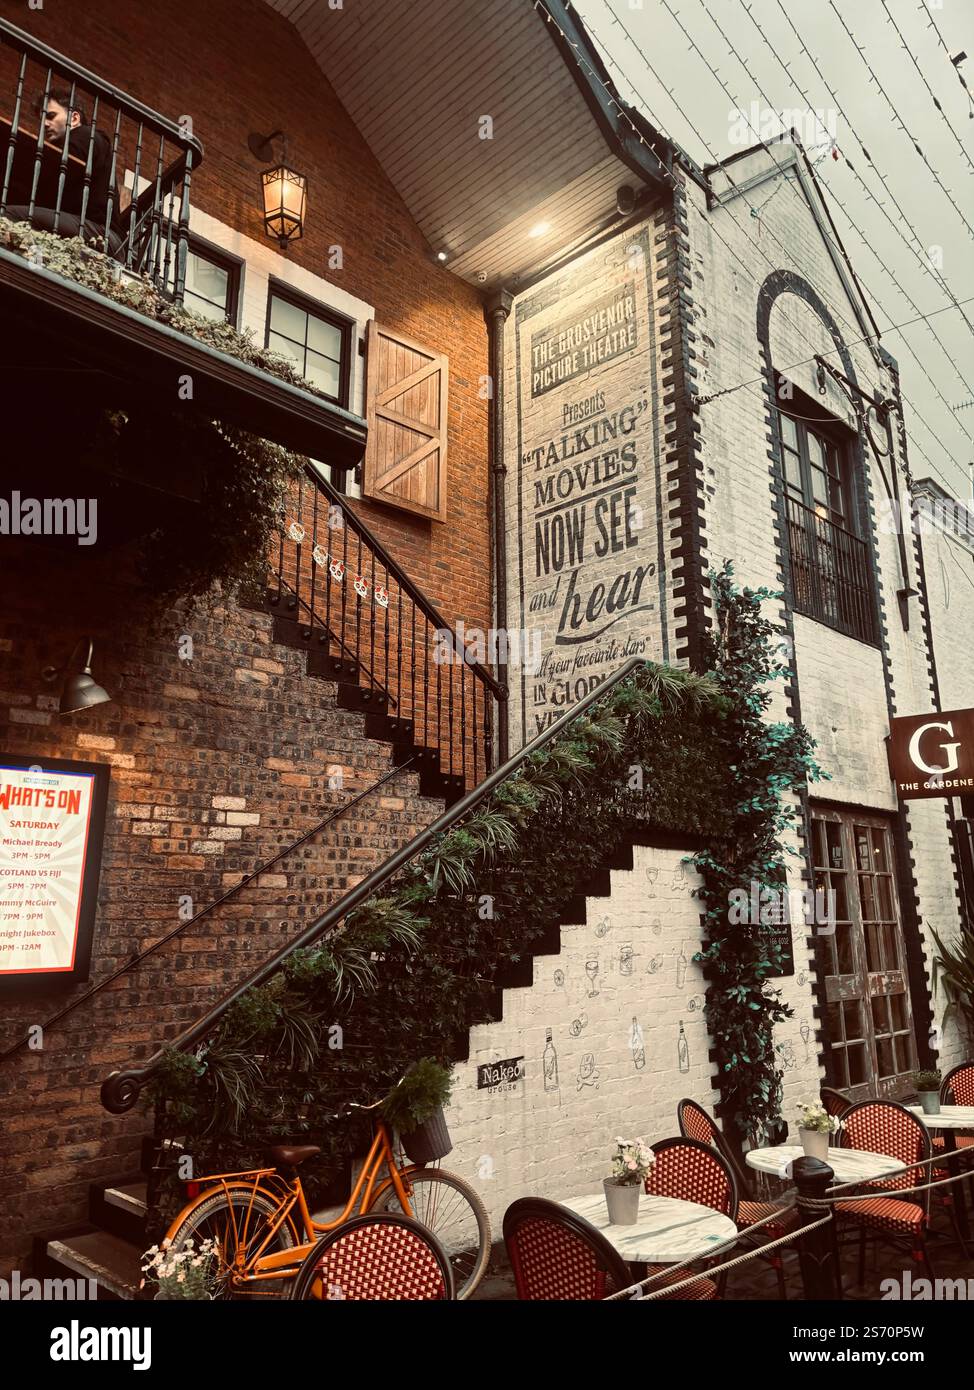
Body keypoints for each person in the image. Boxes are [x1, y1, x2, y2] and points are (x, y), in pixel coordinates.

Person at [4, 90, 122, 250]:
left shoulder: (86, 135)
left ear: (74, 118)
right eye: (42, 119)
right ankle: (33, 268)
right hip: (84, 226)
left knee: (7, 216)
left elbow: (61, 168)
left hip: (99, 232)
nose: (45, 124)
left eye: (51, 116)